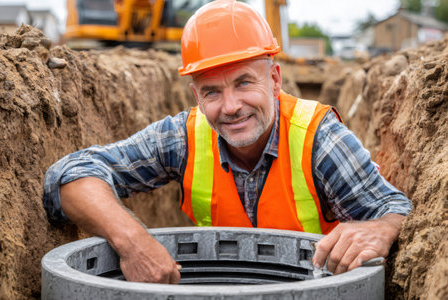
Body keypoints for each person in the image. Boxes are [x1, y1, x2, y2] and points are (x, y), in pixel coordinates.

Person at [43, 0, 411, 284]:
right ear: (196, 95)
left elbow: (394, 209)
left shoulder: (320, 139)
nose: (231, 107)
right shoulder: (183, 137)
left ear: (275, 79)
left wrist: (380, 228)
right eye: (212, 91)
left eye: (244, 82)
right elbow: (69, 176)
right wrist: (134, 242)